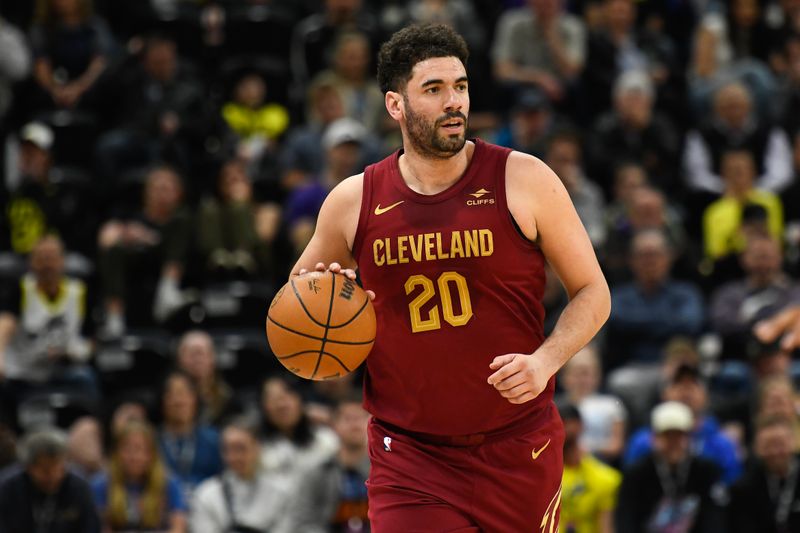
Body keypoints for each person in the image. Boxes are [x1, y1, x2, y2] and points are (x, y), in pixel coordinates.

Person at [290, 23, 610, 531]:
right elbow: (298, 332)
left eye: (459, 86)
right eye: (434, 90)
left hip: (517, 443)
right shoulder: (354, 201)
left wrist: (546, 361)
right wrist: (331, 297)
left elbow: (594, 292)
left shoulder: (523, 178)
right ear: (396, 105)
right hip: (411, 454)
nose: (454, 101)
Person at [615, 401, 727, 533]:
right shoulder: (636, 473)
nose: (673, 444)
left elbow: (714, 516)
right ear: (654, 438)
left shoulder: (706, 470)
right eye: (667, 436)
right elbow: (626, 518)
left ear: (689, 438)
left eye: (678, 436)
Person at [190, 417, 294, 533]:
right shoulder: (207, 494)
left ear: (257, 447)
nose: (233, 457)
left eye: (240, 448)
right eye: (227, 450)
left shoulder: (281, 492)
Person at [288, 395, 371, 533]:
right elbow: (301, 520)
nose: (355, 424)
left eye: (361, 417)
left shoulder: (385, 471)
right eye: (348, 418)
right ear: (334, 425)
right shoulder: (316, 472)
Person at [92, 421, 187, 532]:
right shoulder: (101, 485)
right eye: (127, 449)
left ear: (151, 454)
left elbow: (178, 527)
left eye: (139, 449)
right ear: (116, 453)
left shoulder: (169, 484)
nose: (134, 456)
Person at [0, 428, 100, 533]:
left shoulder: (79, 487)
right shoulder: (9, 488)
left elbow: (91, 526)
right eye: (46, 471)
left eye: (60, 469)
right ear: (28, 467)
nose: (55, 475)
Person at [729, 415, 800, 533]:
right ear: (756, 448)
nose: (775, 452)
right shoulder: (744, 488)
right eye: (768, 445)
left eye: (780, 444)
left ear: (793, 443)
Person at [558, 404, 621, 533]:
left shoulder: (606, 479)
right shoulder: (540, 477)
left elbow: (606, 528)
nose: (560, 428)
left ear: (580, 425)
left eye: (564, 422)